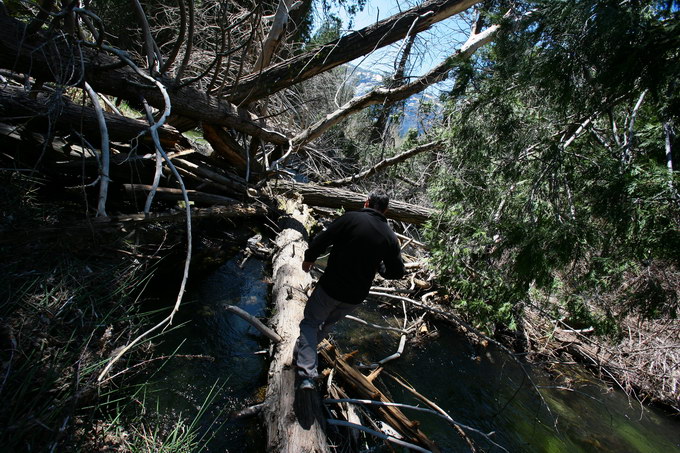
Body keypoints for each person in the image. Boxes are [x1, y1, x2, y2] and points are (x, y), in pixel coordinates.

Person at [294, 191, 405, 390]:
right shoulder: (390, 236)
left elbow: (322, 239)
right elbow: (397, 272)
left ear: (366, 203)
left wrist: (309, 258)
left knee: (310, 323)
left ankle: (307, 374)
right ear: (386, 210)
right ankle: (304, 352)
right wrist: (380, 268)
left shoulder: (351, 218)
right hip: (354, 297)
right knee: (325, 326)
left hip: (331, 287)